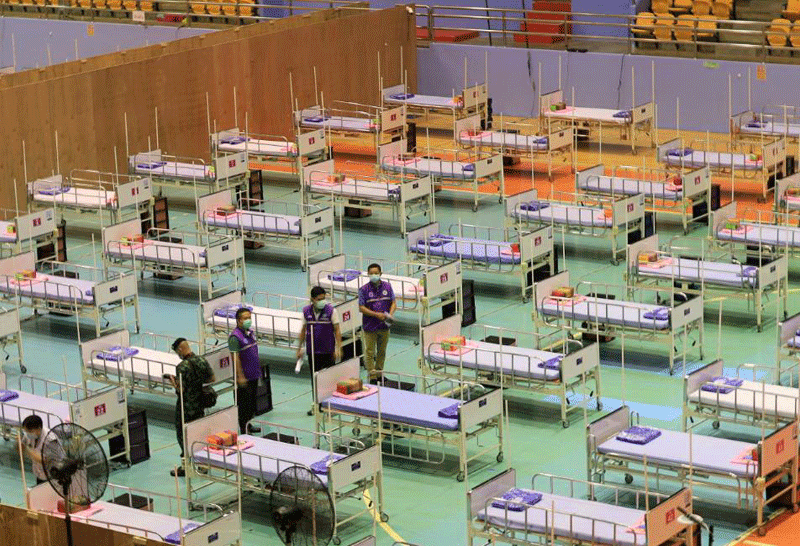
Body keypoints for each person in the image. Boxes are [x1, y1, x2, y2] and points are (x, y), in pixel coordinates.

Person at [167, 338, 215, 477]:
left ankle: (186, 466)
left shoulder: (182, 367)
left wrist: (174, 384)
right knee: (200, 434)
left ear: (180, 350)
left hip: (186, 406)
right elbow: (211, 379)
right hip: (200, 404)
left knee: (183, 435)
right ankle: (203, 465)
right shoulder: (201, 360)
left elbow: (181, 390)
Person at [296, 286, 342, 416]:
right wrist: (299, 348)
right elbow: (303, 330)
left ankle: (330, 406)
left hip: (328, 350)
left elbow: (337, 330)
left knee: (329, 380)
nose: (322, 301)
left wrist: (338, 347)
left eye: (323, 298)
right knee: (315, 380)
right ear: (312, 299)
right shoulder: (306, 311)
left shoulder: (331, 311)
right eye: (319, 299)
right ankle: (317, 405)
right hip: (313, 351)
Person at [358, 263, 396, 383]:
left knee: (382, 351)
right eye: (371, 273)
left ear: (380, 273)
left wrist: (389, 314)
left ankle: (379, 374)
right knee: (369, 352)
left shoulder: (387, 287)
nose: (374, 275)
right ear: (368, 274)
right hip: (370, 326)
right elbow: (361, 308)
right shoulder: (363, 290)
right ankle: (372, 376)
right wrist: (376, 314)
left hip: (384, 325)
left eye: (376, 273)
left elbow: (393, 302)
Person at [229, 307, 262, 435]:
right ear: (238, 320)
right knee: (243, 405)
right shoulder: (234, 337)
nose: (248, 320)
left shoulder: (250, 332)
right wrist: (240, 376)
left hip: (254, 374)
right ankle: (244, 430)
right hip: (244, 377)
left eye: (249, 317)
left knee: (252, 403)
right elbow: (235, 358)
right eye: (245, 318)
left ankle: (249, 424)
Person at [19, 415, 48, 485]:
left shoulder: (49, 439)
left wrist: (28, 450)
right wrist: (18, 443)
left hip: (52, 476)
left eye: (29, 431)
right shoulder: (28, 434)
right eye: (26, 431)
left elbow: (45, 461)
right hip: (40, 474)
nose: (27, 433)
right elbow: (20, 449)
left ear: (39, 429)